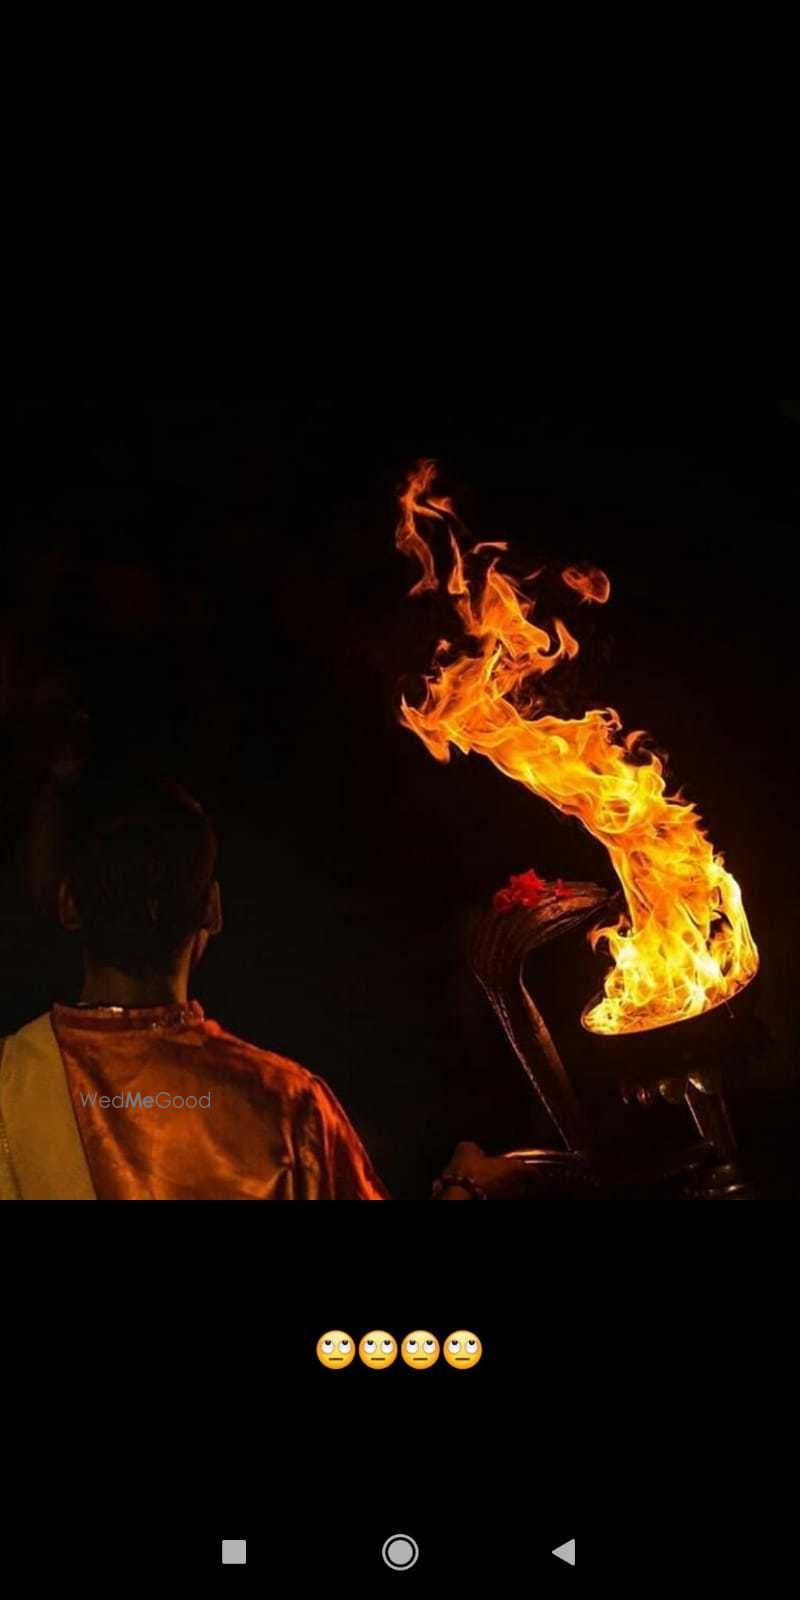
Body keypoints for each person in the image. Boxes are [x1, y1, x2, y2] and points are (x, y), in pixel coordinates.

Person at [0, 776, 522, 1201]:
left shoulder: (10, 1086)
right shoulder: (288, 1111)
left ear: (68, 904)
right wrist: (466, 1188)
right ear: (213, 909)